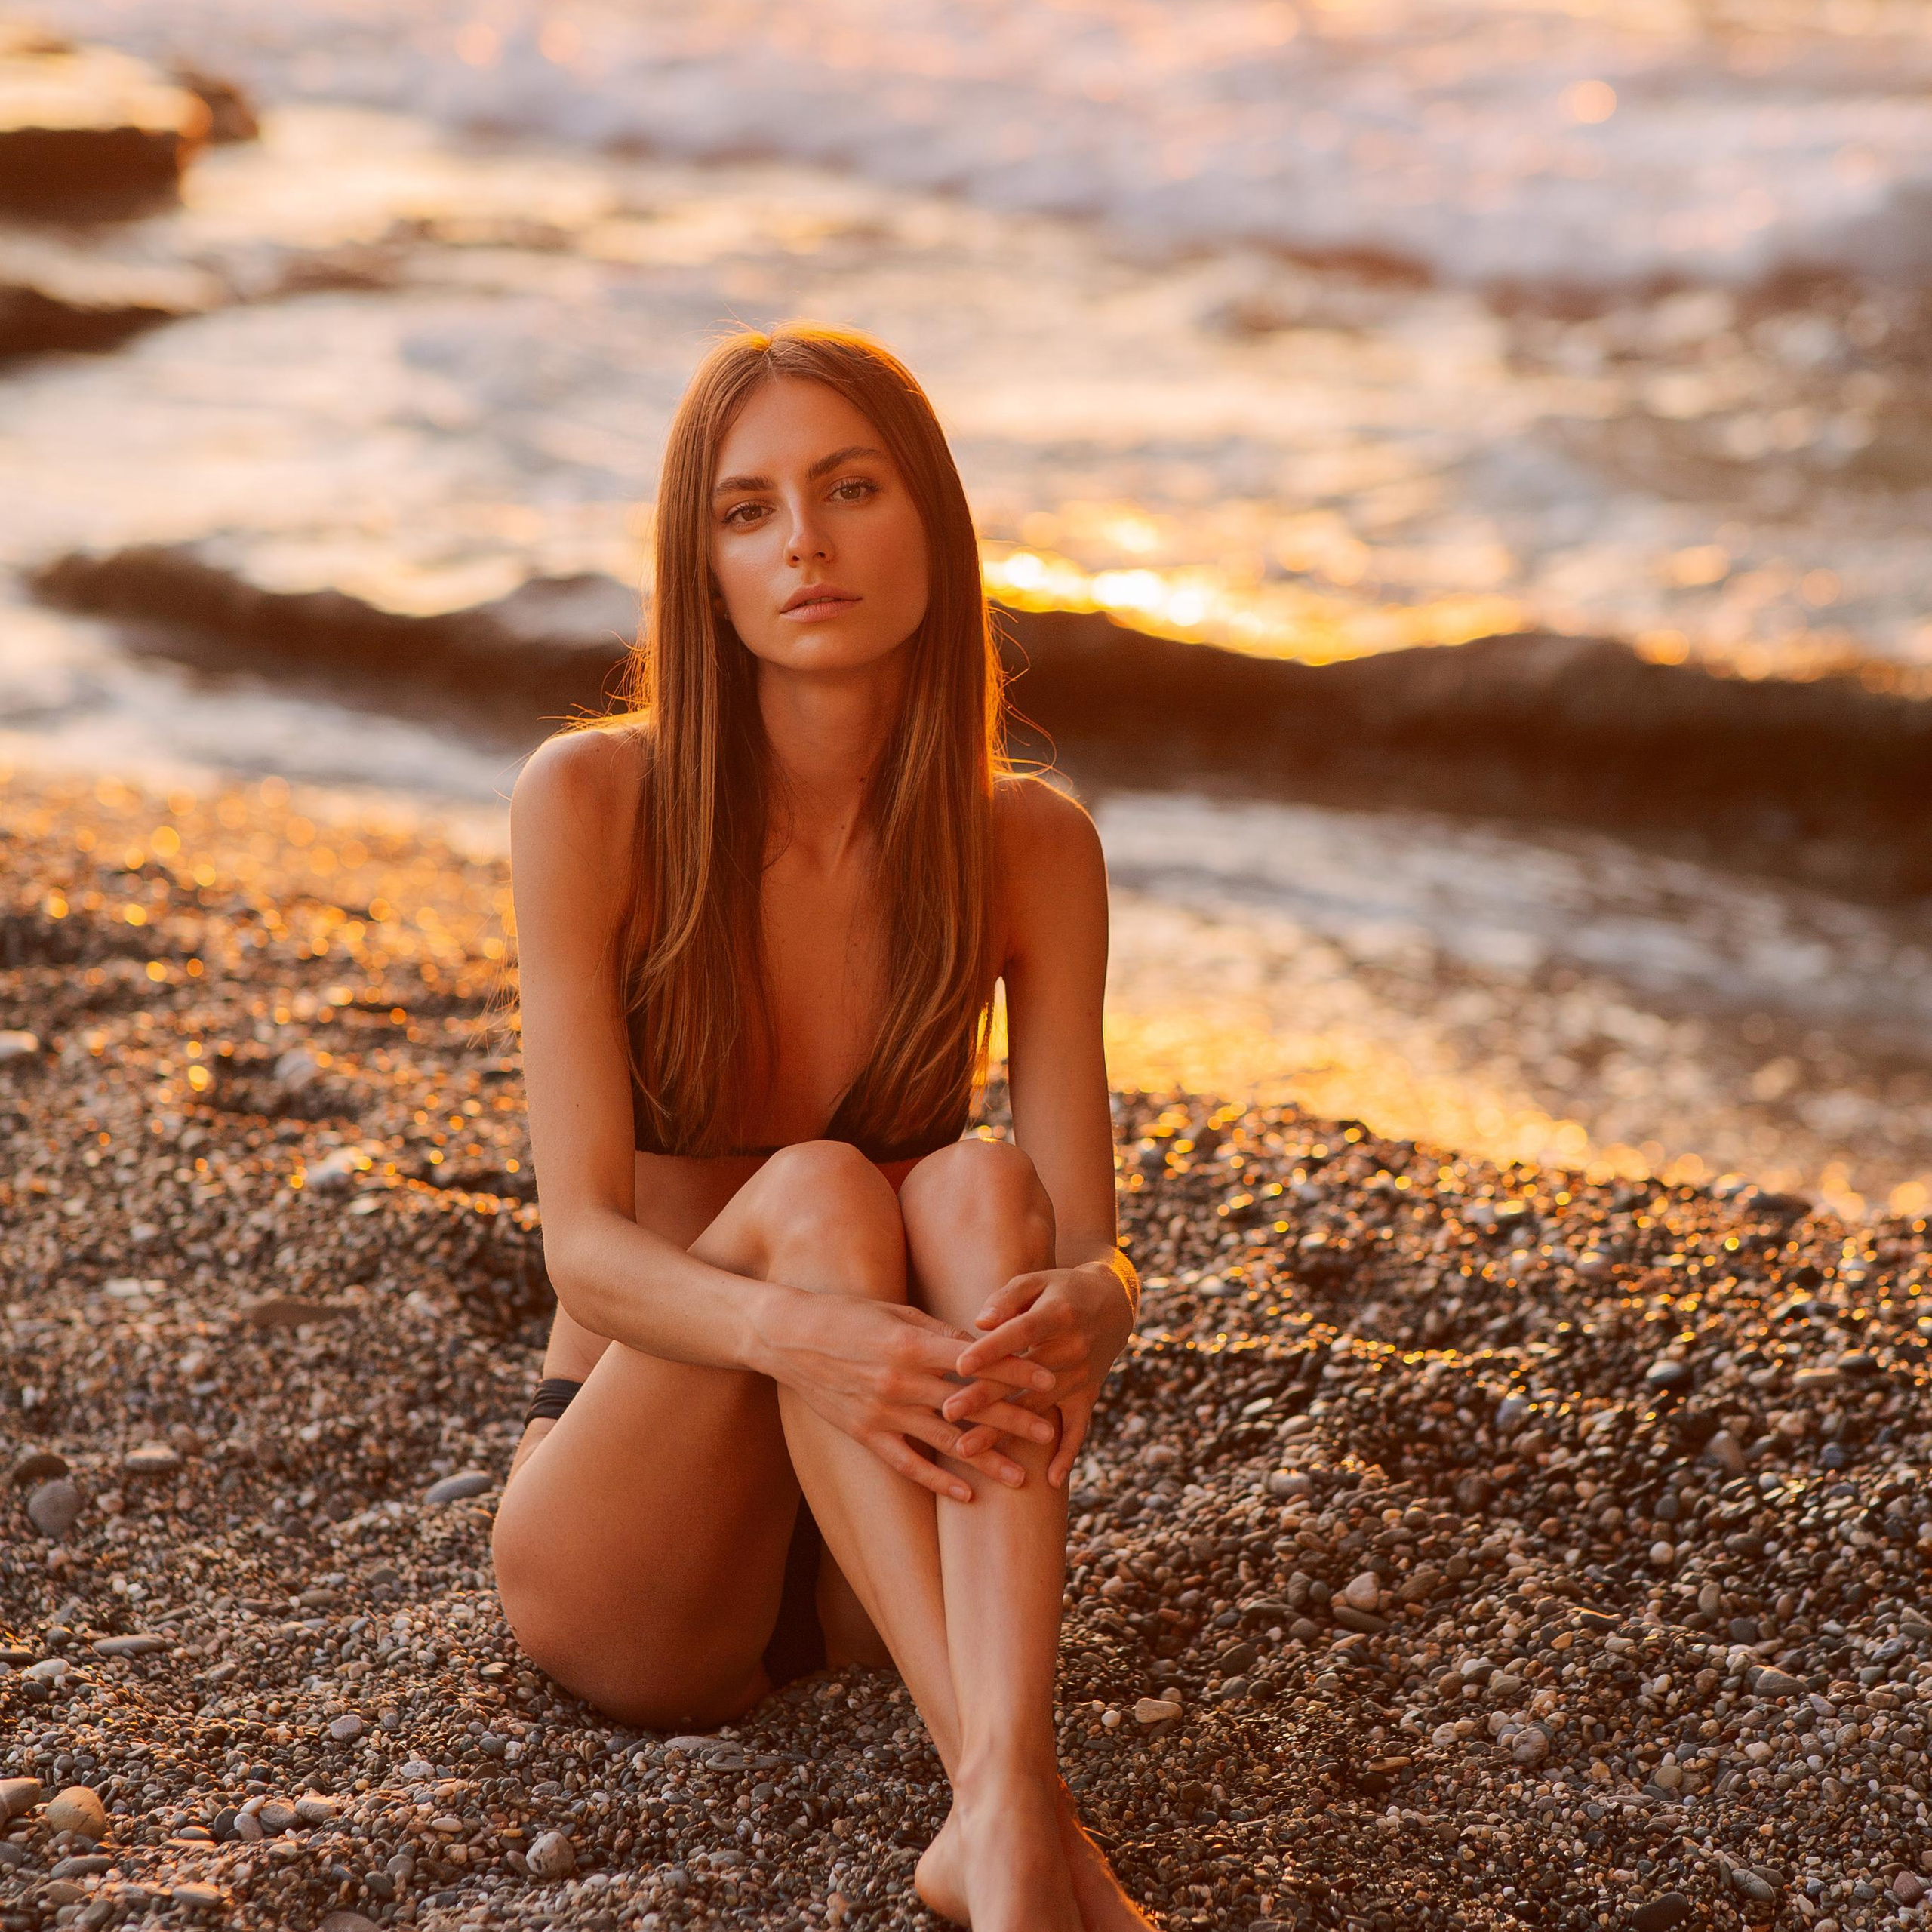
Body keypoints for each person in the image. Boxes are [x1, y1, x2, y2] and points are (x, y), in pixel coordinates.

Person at [490, 321, 1152, 1932]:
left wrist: (1092, 1304)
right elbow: (578, 1242)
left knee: (980, 1187)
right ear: (702, 566)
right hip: (637, 1535)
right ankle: (1013, 1811)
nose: (803, 539)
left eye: (849, 487)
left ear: (927, 516)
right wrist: (805, 1334)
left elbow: (1087, 1250)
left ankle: (991, 1809)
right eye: (748, 508)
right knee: (815, 1193)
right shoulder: (591, 804)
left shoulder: (1028, 842)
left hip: (885, 1535)